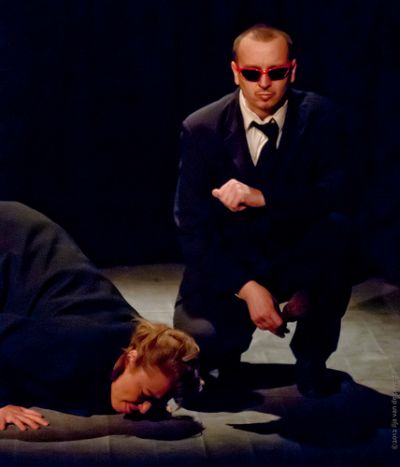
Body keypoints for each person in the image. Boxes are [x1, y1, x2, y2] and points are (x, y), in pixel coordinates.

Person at [173, 24, 353, 397]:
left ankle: (312, 359)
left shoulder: (323, 118)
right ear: (236, 72)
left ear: (293, 70)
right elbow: (191, 227)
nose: (265, 83)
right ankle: (226, 353)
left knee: (337, 254)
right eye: (253, 73)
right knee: (201, 341)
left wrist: (265, 198)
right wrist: (246, 288)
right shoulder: (202, 127)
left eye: (277, 72)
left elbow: (338, 196)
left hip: (297, 258)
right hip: (233, 261)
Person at [0, 202, 200, 431]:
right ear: (131, 357)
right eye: (145, 394)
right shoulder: (77, 344)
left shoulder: (144, 347)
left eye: (158, 401)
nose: (145, 408)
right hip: (10, 240)